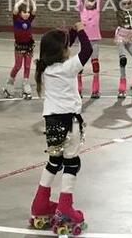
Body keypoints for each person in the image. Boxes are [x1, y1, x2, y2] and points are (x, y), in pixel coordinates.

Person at [29, 22, 93, 234]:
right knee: (71, 163)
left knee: (54, 161)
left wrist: (71, 33)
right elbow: (87, 50)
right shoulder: (68, 68)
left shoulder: (45, 69)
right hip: (69, 122)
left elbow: (64, 48)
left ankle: (40, 204)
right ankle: (65, 208)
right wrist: (81, 30)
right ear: (62, 52)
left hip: (52, 123)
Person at [4, 0, 37, 99]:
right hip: (19, 46)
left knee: (27, 66)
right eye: (24, 12)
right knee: (18, 66)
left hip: (29, 46)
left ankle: (26, 84)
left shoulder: (29, 20)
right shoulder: (16, 19)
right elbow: (15, 8)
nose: (27, 14)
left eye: (28, 12)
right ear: (20, 13)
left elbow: (34, 10)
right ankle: (10, 82)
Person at [76, 0, 103, 98]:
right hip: (84, 41)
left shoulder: (97, 11)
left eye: (93, 1)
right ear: (84, 1)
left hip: (95, 40)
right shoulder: (82, 10)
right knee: (80, 64)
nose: (90, 2)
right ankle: (78, 88)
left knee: (95, 63)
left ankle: (95, 88)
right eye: (88, 0)